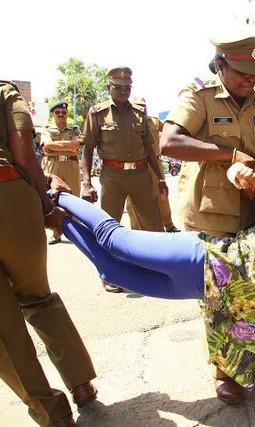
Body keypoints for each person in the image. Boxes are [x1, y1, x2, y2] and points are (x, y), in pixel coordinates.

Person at [55, 168, 255, 405]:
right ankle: (58, 196)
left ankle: (60, 221)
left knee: (112, 271)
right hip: (197, 259)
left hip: (200, 290)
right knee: (116, 241)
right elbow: (252, 179)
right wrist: (239, 170)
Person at [160, 33, 255, 366]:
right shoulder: (200, 95)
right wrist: (229, 155)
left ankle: (252, 346)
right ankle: (222, 368)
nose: (251, 79)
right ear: (219, 65)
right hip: (211, 210)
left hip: (252, 210)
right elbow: (169, 142)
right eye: (243, 73)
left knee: (254, 284)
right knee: (217, 291)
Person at [0, 81, 97, 427]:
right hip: (8, 192)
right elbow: (24, 153)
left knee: (3, 328)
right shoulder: (4, 92)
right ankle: (81, 384)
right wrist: (46, 206)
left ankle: (52, 414)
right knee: (38, 298)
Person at [80, 66, 165, 292]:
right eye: (118, 87)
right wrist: (86, 183)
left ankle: (160, 268)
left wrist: (161, 178)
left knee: (154, 224)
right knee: (108, 227)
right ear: (108, 87)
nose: (123, 91)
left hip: (140, 175)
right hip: (112, 176)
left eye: (127, 87)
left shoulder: (139, 112)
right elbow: (87, 149)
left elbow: (149, 149)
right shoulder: (98, 113)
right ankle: (109, 274)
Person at [126, 97, 179, 232]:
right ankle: (136, 229)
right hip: (136, 165)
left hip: (155, 163)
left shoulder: (154, 121)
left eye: (143, 106)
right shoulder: (126, 122)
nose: (142, 108)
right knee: (133, 198)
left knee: (162, 194)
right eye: (138, 106)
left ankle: (168, 224)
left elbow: (168, 129)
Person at [40, 101, 81, 244]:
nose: (60, 115)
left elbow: (76, 146)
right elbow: (47, 145)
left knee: (73, 196)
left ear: (67, 114)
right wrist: (68, 147)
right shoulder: (47, 129)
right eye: (57, 112)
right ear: (53, 114)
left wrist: (56, 146)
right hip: (53, 165)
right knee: (53, 197)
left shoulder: (74, 129)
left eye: (63, 113)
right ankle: (56, 233)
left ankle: (75, 232)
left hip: (71, 165)